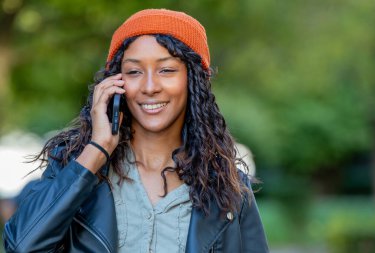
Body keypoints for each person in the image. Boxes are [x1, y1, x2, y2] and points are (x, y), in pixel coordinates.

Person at [3, 9, 269, 253]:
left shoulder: (230, 190)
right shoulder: (73, 168)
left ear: (194, 80)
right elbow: (23, 246)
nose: (150, 86)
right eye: (134, 71)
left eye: (166, 70)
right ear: (115, 84)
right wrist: (96, 152)